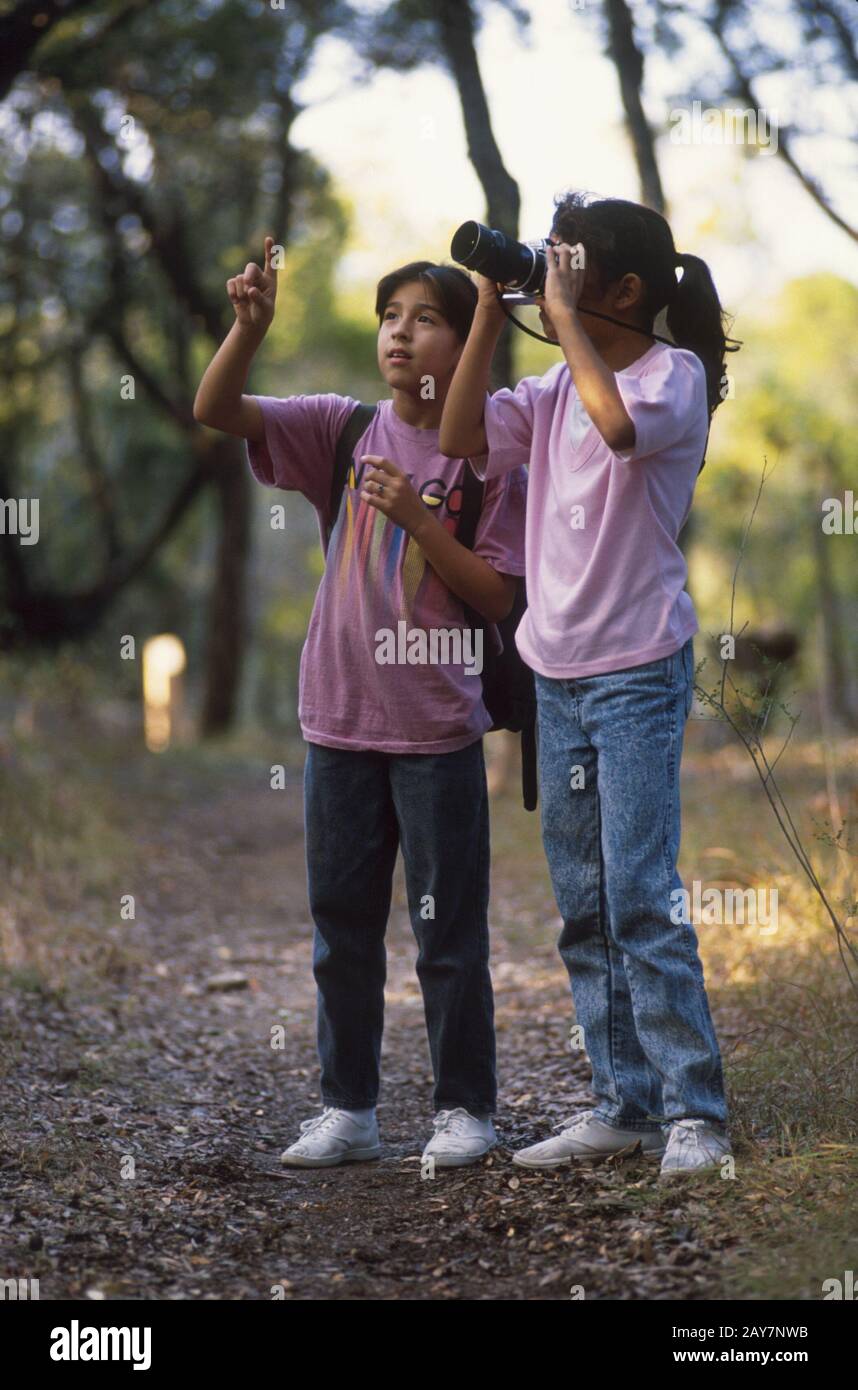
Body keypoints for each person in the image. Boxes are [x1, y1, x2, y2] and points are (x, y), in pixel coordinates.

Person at [193, 238, 527, 1169]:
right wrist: (247, 327)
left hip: (437, 729)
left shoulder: (497, 455)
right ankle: (350, 1110)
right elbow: (216, 408)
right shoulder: (342, 429)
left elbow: (501, 598)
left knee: (447, 936)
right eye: (391, 318)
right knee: (341, 928)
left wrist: (420, 518)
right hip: (337, 717)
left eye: (426, 321)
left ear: (467, 345)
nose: (401, 336)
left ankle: (467, 1111)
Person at [439, 192, 736, 1178]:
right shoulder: (552, 389)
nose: (551, 284)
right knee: (582, 901)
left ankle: (697, 1113)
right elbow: (458, 436)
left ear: (625, 290)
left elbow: (617, 432)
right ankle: (620, 1100)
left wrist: (560, 319)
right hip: (554, 676)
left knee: (642, 894)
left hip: (638, 673)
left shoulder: (671, 377)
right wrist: (492, 307)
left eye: (571, 272)